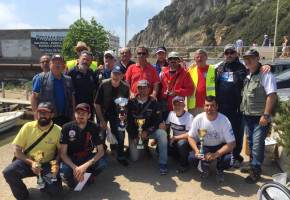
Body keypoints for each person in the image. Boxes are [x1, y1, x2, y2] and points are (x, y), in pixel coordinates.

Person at [3, 102, 63, 200]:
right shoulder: (27, 127)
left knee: (56, 191)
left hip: (47, 164)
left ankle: (43, 182)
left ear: (52, 115)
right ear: (36, 114)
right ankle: (23, 196)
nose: (42, 116)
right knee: (9, 172)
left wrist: (56, 164)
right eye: (40, 112)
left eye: (46, 113)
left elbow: (61, 152)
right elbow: (17, 151)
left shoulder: (58, 130)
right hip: (27, 162)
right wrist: (32, 163)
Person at [240, 49, 277, 184]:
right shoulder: (248, 74)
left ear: (258, 58)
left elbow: (271, 95)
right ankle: (252, 164)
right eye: (245, 58)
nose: (247, 60)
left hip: (260, 117)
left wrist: (266, 115)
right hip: (249, 115)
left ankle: (256, 171)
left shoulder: (266, 74)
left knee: (257, 145)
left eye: (251, 58)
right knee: (250, 142)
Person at [188, 96, 236, 182]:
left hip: (219, 146)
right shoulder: (198, 118)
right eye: (207, 105)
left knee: (229, 160)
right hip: (204, 146)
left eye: (212, 105)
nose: (209, 108)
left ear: (217, 106)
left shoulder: (224, 120)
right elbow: (190, 136)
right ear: (203, 106)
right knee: (192, 158)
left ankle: (219, 168)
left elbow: (232, 143)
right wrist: (196, 150)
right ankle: (204, 168)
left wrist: (215, 154)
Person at [124, 79, 168, 175]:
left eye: (144, 88)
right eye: (140, 88)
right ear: (137, 89)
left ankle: (163, 163)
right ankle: (141, 145)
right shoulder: (131, 102)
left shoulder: (154, 103)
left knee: (163, 133)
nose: (142, 90)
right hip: (137, 134)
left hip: (150, 132)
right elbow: (129, 123)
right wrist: (134, 136)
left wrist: (147, 132)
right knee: (134, 159)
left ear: (149, 89)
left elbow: (157, 122)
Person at [59, 103, 107, 189]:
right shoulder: (66, 128)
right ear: (74, 114)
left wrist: (84, 166)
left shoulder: (95, 128)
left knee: (102, 164)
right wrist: (76, 168)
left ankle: (88, 174)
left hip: (87, 157)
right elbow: (63, 154)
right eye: (78, 113)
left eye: (83, 113)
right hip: (71, 158)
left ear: (89, 115)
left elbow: (101, 152)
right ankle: (70, 178)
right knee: (63, 170)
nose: (80, 116)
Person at [215, 44, 247, 167]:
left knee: (236, 132)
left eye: (231, 52)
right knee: (222, 132)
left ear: (236, 54)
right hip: (221, 107)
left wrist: (267, 66)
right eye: (227, 53)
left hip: (235, 108)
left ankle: (236, 156)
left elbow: (255, 71)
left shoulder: (242, 68)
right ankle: (224, 155)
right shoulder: (220, 67)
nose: (229, 55)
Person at [94, 63, 130, 167]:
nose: (116, 76)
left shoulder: (125, 87)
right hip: (103, 113)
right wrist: (101, 120)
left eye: (118, 74)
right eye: (114, 73)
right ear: (111, 74)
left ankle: (120, 155)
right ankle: (101, 153)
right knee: (101, 134)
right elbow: (96, 104)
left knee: (120, 134)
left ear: (122, 76)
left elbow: (126, 104)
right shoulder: (104, 84)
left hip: (116, 114)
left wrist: (123, 114)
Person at [31, 55, 76, 127]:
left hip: (65, 117)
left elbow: (72, 97)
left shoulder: (68, 80)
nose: (56, 65)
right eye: (54, 63)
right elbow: (34, 97)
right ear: (50, 65)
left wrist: (73, 114)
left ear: (63, 66)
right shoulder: (41, 79)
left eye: (59, 63)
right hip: (48, 118)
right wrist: (36, 115)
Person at [161, 96, 193, 174]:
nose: (177, 107)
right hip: (175, 140)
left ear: (184, 106)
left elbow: (189, 135)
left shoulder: (189, 116)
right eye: (175, 104)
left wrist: (174, 138)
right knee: (159, 147)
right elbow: (166, 126)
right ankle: (178, 156)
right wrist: (161, 128)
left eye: (180, 104)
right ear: (172, 105)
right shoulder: (171, 113)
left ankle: (185, 164)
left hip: (186, 142)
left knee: (181, 144)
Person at [159, 51, 194, 119]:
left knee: (178, 128)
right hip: (164, 107)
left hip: (178, 108)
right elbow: (159, 88)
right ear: (168, 60)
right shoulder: (163, 73)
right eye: (171, 59)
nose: (173, 61)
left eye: (175, 59)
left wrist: (177, 92)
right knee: (164, 128)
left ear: (179, 60)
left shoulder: (185, 74)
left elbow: (190, 90)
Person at [65, 51, 97, 121]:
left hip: (88, 110)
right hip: (76, 111)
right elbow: (66, 93)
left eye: (88, 60)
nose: (85, 61)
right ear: (79, 59)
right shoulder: (71, 73)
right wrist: (72, 112)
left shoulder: (91, 72)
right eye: (83, 59)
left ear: (91, 62)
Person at [187, 49, 215, 117]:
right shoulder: (190, 70)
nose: (199, 59)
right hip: (193, 107)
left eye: (202, 57)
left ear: (206, 57)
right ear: (194, 58)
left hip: (209, 106)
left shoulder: (213, 70)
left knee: (208, 126)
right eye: (197, 57)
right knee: (195, 127)